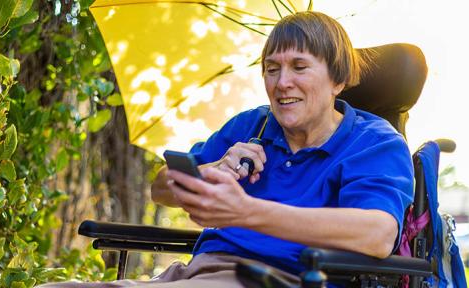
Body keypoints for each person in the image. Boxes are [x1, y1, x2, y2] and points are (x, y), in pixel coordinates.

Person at [40, 10, 414, 288]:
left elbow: (377, 234)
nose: (283, 83)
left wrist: (245, 211)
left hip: (280, 279)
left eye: (299, 67)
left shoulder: (373, 143)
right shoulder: (252, 125)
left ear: (339, 78)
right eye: (271, 69)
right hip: (195, 273)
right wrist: (208, 172)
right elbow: (160, 188)